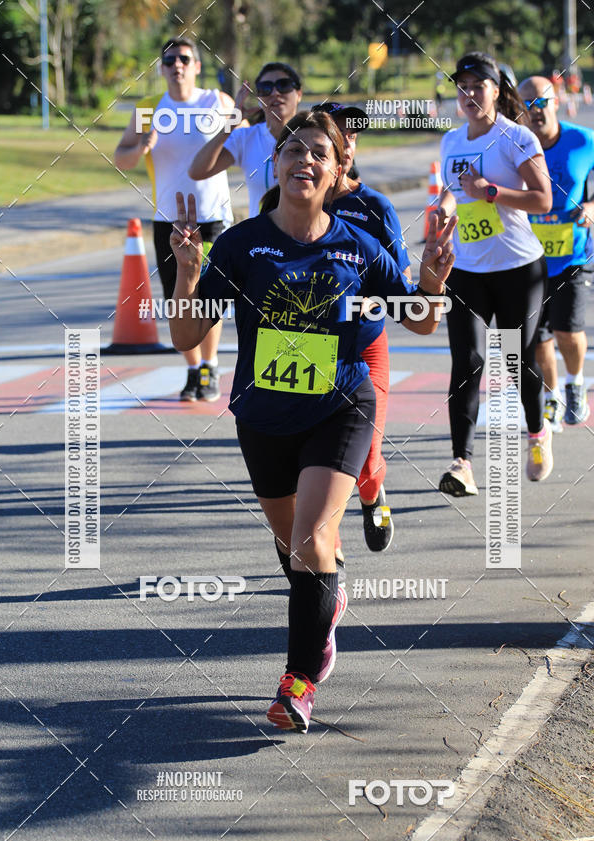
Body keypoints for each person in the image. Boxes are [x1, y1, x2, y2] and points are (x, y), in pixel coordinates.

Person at [168, 110, 457, 733]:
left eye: (317, 152)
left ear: (336, 170)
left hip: (341, 408)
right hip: (265, 415)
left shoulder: (359, 246)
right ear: (276, 166)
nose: (304, 159)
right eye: (293, 149)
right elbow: (187, 335)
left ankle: (297, 684)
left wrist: (432, 276)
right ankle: (326, 596)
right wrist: (188, 277)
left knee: (308, 540)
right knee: (291, 544)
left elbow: (419, 318)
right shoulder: (242, 245)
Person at [436, 52, 553, 496]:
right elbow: (452, 193)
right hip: (466, 268)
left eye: (477, 85)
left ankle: (537, 433)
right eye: (462, 87)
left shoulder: (516, 137)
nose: (468, 95)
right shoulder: (451, 141)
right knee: (465, 361)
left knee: (513, 359)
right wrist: (441, 214)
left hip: (518, 268)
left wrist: (492, 192)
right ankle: (462, 462)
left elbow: (543, 199)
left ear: (497, 90)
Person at [312, 101, 413, 554]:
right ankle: (323, 545)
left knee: (367, 455)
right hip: (305, 347)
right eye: (338, 134)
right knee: (312, 453)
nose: (348, 143)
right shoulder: (283, 201)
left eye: (353, 136)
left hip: (363, 344)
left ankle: (374, 495)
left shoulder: (374, 207)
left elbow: (401, 287)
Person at [114, 37, 234, 402]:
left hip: (212, 216)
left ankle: (210, 366)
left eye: (184, 58)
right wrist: (140, 147)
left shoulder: (216, 101)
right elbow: (121, 158)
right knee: (178, 301)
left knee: (209, 296)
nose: (176, 65)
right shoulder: (149, 109)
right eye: (169, 60)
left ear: (196, 66)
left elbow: (245, 142)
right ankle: (193, 368)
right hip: (168, 219)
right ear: (162, 68)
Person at [518, 75, 592, 429]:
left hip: (574, 256)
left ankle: (575, 382)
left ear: (556, 102)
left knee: (567, 330)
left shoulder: (583, 140)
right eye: (527, 105)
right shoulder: (515, 145)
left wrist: (592, 206)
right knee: (536, 338)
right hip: (528, 260)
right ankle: (552, 395)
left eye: (541, 103)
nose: (535, 111)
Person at [188, 62, 302, 218]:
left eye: (284, 85)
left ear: (299, 94)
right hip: (259, 239)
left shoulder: (313, 138)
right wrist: (230, 124)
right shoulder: (246, 138)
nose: (275, 93)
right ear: (259, 98)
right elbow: (197, 171)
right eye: (266, 88)